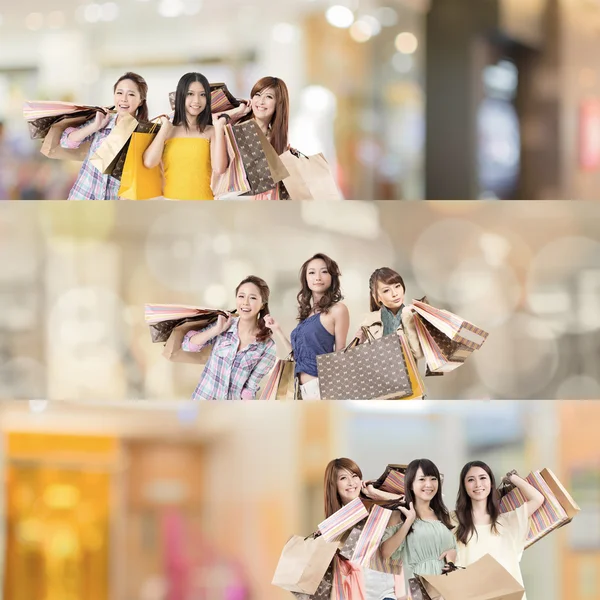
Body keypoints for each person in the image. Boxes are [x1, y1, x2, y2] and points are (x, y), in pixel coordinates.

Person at [452, 461, 544, 600]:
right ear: (464, 486)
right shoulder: (454, 519)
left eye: (483, 478)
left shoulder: (506, 522)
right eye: (471, 480)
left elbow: (537, 499)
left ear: (491, 483)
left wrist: (512, 478)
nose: (478, 484)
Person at [264, 253, 349, 399]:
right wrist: (277, 330)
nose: (318, 277)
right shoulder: (308, 314)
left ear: (332, 276)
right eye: (312, 272)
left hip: (321, 387)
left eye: (324, 271)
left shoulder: (338, 309)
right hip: (300, 389)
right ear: (306, 279)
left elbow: (340, 355)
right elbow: (299, 357)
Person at [181, 276, 276, 399]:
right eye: (241, 296)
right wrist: (215, 331)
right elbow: (188, 345)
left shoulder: (268, 346)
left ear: (262, 304)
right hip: (202, 403)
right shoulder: (224, 324)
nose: (245, 302)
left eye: (252, 298)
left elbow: (249, 390)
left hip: (231, 411)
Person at [61, 72, 149, 200]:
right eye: (119, 93)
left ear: (141, 100)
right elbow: (66, 141)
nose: (124, 99)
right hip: (82, 198)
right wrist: (94, 127)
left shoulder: (144, 134)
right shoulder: (104, 121)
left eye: (131, 94)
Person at [324, 458, 403, 600]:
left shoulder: (378, 509)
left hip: (388, 594)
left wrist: (376, 494)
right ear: (333, 485)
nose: (351, 482)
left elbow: (409, 508)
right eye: (343, 478)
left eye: (354, 476)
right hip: (358, 594)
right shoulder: (333, 526)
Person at [143, 72, 228, 200]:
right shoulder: (166, 130)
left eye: (202, 95)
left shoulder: (212, 131)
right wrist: (165, 128)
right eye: (190, 94)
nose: (197, 100)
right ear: (181, 96)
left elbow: (219, 168)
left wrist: (219, 126)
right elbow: (149, 162)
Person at [380, 459, 457, 595]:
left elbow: (451, 549)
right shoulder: (400, 514)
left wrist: (451, 558)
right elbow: (385, 552)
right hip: (418, 585)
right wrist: (409, 521)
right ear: (410, 484)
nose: (429, 484)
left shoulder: (443, 515)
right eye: (422, 479)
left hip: (446, 586)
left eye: (433, 479)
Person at [225, 76, 290, 200]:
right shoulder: (235, 127)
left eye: (269, 97)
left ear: (279, 103)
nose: (261, 101)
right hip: (231, 200)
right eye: (258, 95)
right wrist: (237, 112)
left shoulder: (277, 140)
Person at [356, 267, 423, 360]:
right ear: (377, 297)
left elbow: (418, 354)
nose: (395, 293)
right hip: (379, 373)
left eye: (397, 286)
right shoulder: (369, 322)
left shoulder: (413, 317)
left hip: (408, 374)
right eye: (386, 290)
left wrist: (408, 320)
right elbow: (363, 360)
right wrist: (360, 344)